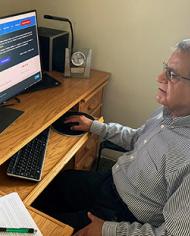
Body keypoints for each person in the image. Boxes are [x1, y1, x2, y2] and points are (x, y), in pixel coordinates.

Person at [34, 39, 190, 236]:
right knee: (50, 188)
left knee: (43, 228)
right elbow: (136, 138)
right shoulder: (167, 112)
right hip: (112, 181)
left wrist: (107, 230)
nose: (159, 77)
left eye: (172, 75)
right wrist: (94, 126)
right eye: (165, 69)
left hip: (125, 215)